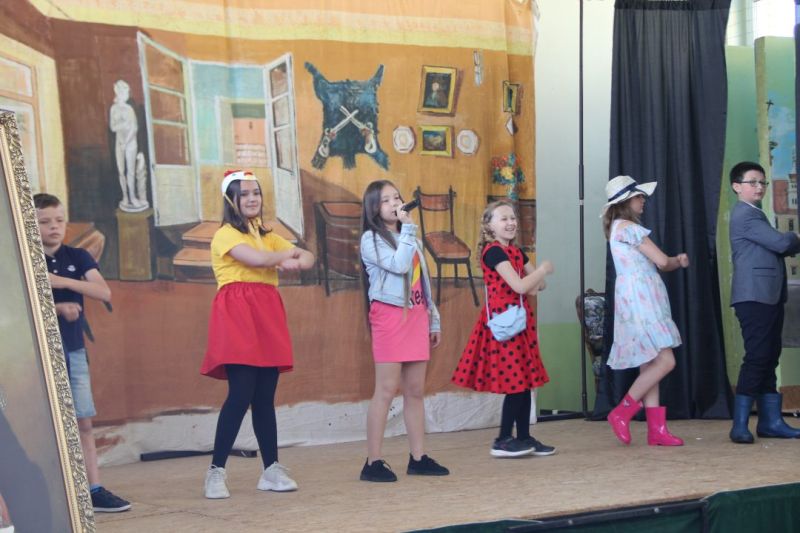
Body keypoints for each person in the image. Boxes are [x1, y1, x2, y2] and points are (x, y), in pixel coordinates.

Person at [201, 170, 315, 499]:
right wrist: (285, 257)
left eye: (256, 193)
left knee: (265, 396)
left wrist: (296, 258)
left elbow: (307, 257)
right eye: (245, 193)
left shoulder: (267, 234)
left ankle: (271, 469)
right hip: (237, 312)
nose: (253, 199)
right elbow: (258, 259)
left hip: (266, 311)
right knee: (241, 393)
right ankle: (215, 472)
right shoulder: (224, 235)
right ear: (231, 200)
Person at [34, 193, 132, 512]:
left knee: (83, 421)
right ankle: (48, 491)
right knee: (44, 422)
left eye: (59, 220)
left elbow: (102, 291)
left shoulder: (78, 256)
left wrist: (58, 281)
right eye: (44, 221)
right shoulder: (25, 258)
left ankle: (94, 488)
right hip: (37, 355)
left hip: (73, 349)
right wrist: (57, 307)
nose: (54, 227)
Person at [359, 180, 449, 482]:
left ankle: (418, 458)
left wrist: (433, 320)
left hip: (417, 316)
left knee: (415, 391)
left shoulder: (410, 238)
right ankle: (373, 462)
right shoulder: (371, 239)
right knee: (385, 391)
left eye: (396, 197)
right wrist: (409, 230)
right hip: (389, 316)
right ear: (373, 208)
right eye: (386, 200)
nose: (394, 204)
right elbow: (398, 266)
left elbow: (422, 281)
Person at [452, 200, 555, 457]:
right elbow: (521, 286)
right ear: (489, 226)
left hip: (519, 323)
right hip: (504, 325)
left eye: (512, 218)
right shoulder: (494, 252)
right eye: (503, 219)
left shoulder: (516, 251)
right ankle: (502, 439)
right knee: (516, 383)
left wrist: (534, 279)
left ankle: (524, 437)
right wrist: (542, 270)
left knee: (525, 382)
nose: (510, 223)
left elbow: (537, 287)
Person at [601, 176, 688, 447]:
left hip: (633, 298)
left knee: (650, 363)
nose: (643, 201)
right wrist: (678, 260)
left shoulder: (616, 228)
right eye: (639, 197)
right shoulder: (629, 228)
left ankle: (656, 430)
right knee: (665, 361)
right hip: (642, 299)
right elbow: (661, 261)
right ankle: (622, 411)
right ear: (627, 201)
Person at [727, 162, 800, 443]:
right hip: (754, 296)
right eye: (752, 182)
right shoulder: (746, 215)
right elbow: (781, 244)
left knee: (769, 356)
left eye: (762, 182)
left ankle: (771, 422)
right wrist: (794, 236)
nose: (759, 187)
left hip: (767, 295)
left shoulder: (755, 213)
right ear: (737, 186)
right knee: (758, 356)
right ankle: (740, 425)